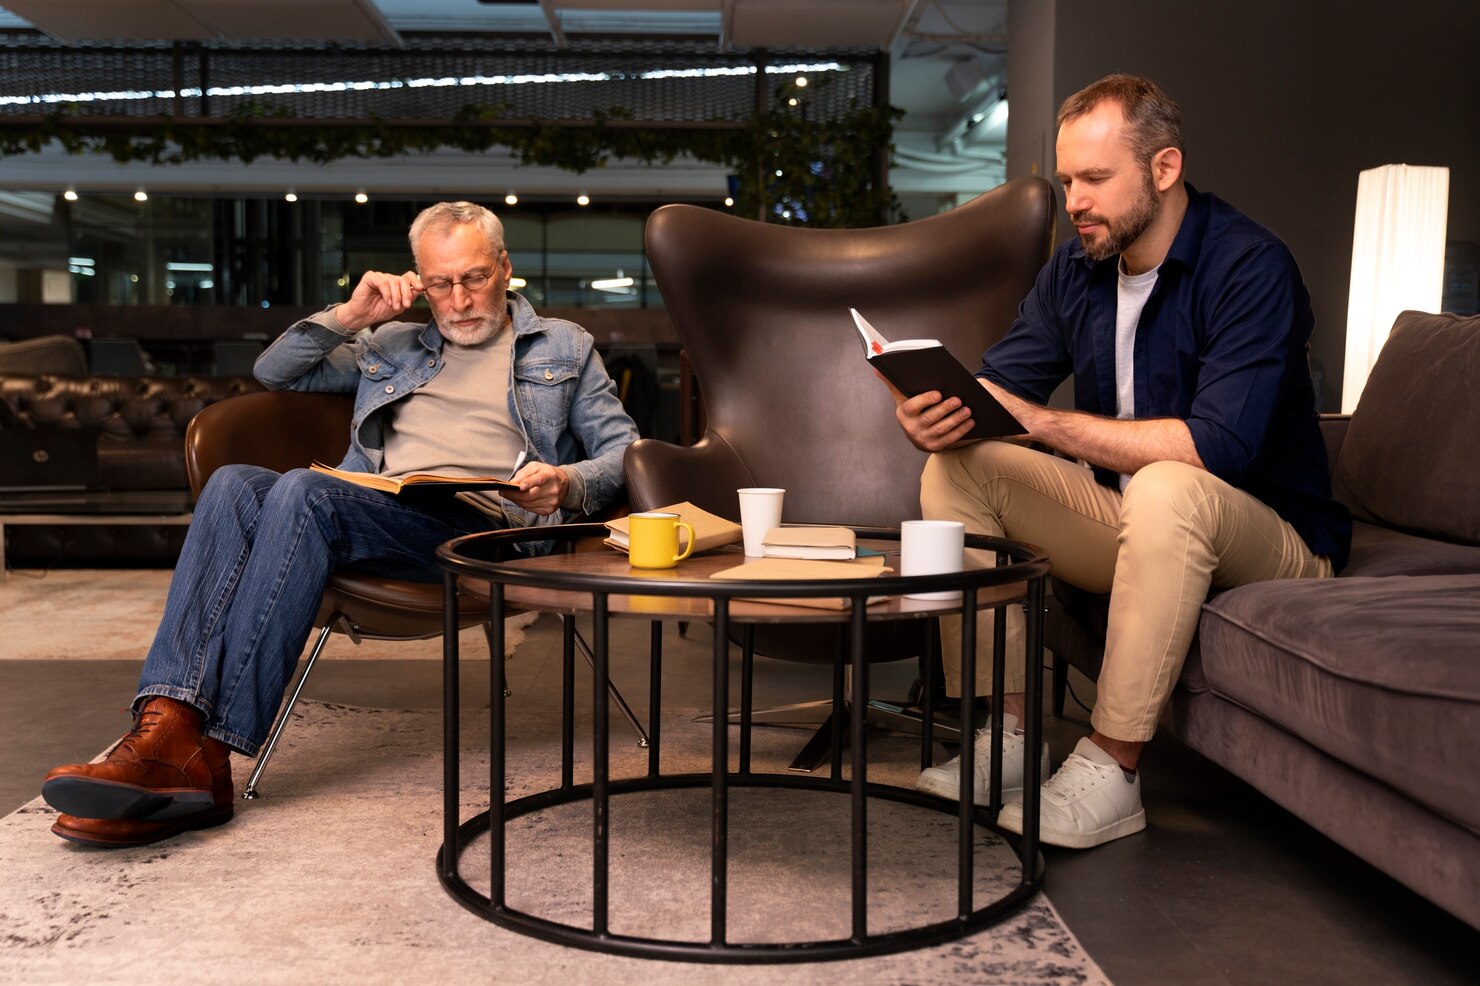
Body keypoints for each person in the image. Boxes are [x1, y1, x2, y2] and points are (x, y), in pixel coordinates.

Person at [41, 201, 639, 848]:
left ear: (505, 267)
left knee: (305, 491)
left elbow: (627, 453)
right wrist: (353, 317)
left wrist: (568, 483)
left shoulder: (563, 346)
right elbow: (273, 372)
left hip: (486, 531)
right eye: (441, 283)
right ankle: (167, 722)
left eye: (475, 278)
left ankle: (208, 753)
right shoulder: (392, 343)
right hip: (378, 505)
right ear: (419, 281)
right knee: (234, 483)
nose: (460, 300)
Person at [891, 75, 1351, 848]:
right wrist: (937, 414)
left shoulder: (1250, 264)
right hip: (1143, 522)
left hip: (1274, 539)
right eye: (1068, 180)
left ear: (1164, 169)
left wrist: (1041, 423)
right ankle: (1008, 738)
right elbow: (1000, 393)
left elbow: (1218, 449)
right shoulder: (1075, 270)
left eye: (1096, 179)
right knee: (959, 469)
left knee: (1172, 484)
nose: (1074, 201)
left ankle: (1115, 764)